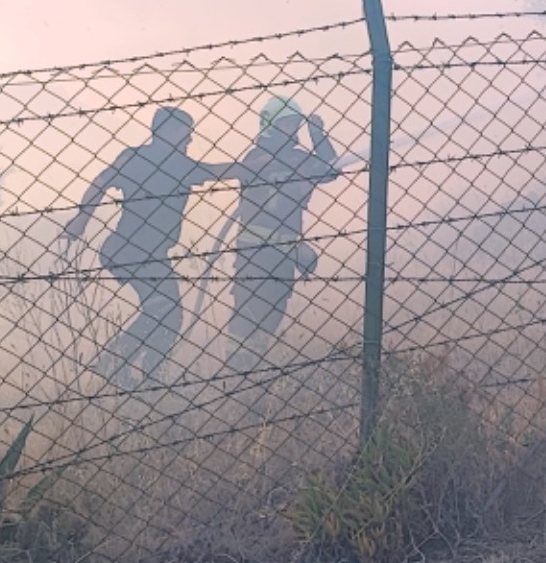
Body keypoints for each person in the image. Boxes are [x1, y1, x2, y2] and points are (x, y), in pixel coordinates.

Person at [64, 106, 240, 384]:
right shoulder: (175, 164)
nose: (190, 140)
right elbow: (220, 171)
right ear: (167, 131)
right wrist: (260, 166)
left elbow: (100, 182)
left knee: (165, 314)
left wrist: (82, 219)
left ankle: (134, 371)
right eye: (186, 133)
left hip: (133, 252)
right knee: (167, 314)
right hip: (133, 253)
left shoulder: (134, 157)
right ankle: (130, 368)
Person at [217, 96, 341, 373]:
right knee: (247, 314)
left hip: (284, 252)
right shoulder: (256, 158)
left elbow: (331, 169)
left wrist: (317, 135)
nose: (294, 129)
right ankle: (234, 371)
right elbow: (269, 168)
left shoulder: (298, 157)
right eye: (288, 123)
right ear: (272, 124)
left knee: (273, 314)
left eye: (296, 124)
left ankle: (252, 368)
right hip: (254, 255)